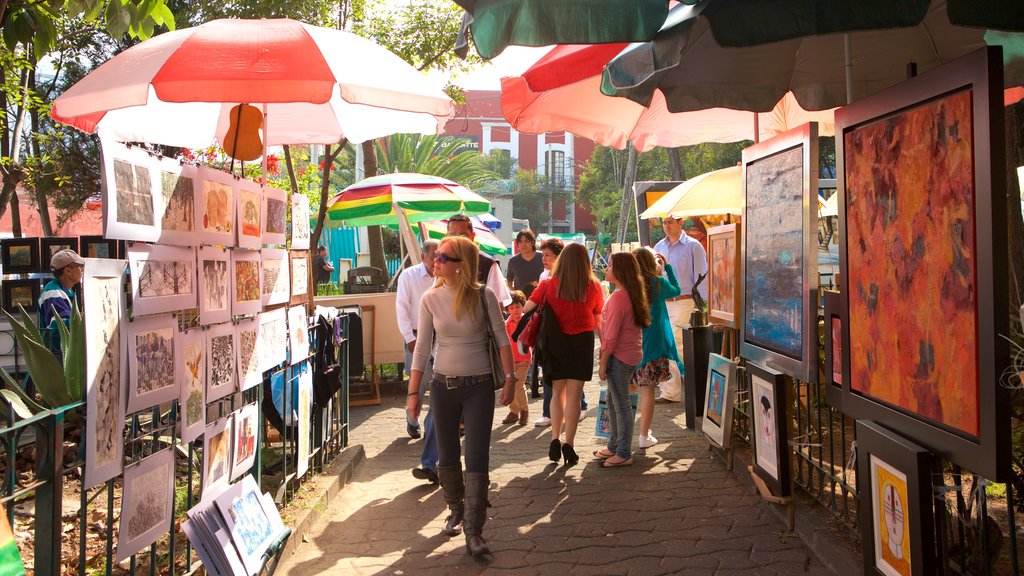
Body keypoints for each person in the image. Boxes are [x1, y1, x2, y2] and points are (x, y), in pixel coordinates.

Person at [406, 236, 516, 556]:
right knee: (448, 455)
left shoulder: (485, 295)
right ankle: (455, 507)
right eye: (436, 256)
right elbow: (423, 349)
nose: (435, 261)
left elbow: (502, 340)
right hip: (443, 386)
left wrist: (510, 379)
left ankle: (475, 530)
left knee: (477, 455)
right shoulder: (430, 298)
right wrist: (414, 393)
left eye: (443, 257)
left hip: (480, 386)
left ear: (461, 265)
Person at [522, 243, 603, 466]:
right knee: (575, 396)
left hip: (554, 342)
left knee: (557, 392)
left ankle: (554, 439)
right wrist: (605, 345)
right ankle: (569, 444)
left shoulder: (548, 283)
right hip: (582, 342)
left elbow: (528, 307)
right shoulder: (594, 286)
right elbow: (598, 318)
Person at [595, 252, 649, 467]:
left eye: (609, 265)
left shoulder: (619, 297)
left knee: (621, 405)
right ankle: (614, 445)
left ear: (620, 270)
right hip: (629, 354)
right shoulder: (628, 293)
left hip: (620, 356)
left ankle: (624, 451)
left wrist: (602, 362)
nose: (606, 268)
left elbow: (611, 336)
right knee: (613, 400)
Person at [395, 240, 440, 483]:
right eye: (434, 254)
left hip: (438, 335)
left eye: (439, 254)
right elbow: (401, 307)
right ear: (423, 255)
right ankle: (412, 418)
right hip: (415, 334)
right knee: (418, 384)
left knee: (437, 385)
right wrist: (409, 338)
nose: (437, 259)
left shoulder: (442, 276)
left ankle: (430, 428)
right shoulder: (409, 276)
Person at [631, 248, 684, 448]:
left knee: (629, 390)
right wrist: (668, 268)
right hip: (655, 344)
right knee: (648, 391)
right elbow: (677, 290)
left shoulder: (631, 285)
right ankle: (644, 435)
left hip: (633, 344)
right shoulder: (658, 283)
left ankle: (622, 436)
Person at [652, 215, 708, 403]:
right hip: (662, 301)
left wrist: (704, 304)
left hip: (684, 300)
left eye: (670, 222)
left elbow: (702, 276)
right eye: (664, 223)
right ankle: (675, 388)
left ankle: (675, 390)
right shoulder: (658, 247)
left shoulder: (693, 246)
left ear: (680, 222)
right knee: (668, 344)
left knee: (674, 342)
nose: (666, 226)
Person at [446, 214, 512, 307]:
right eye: (452, 235)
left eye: (462, 235)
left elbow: (498, 305)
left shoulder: (488, 265)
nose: (457, 239)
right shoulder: (440, 261)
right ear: (446, 236)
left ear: (472, 236)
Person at [38, 248, 84, 362]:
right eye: (79, 266)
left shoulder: (63, 291)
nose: (82, 270)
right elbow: (60, 327)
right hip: (60, 356)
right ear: (68, 271)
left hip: (64, 354)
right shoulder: (54, 293)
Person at [500, 291, 531, 425]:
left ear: (523, 305)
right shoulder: (506, 323)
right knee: (511, 384)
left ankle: (524, 410)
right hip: (511, 361)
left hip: (524, 358)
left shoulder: (526, 320)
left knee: (519, 384)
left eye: (517, 307)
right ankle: (514, 411)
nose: (515, 310)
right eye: (511, 308)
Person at [505, 229, 544, 298]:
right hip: (521, 301)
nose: (523, 244)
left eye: (526, 241)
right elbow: (509, 279)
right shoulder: (513, 261)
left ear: (532, 242)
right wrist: (513, 293)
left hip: (541, 298)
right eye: (520, 242)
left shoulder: (542, 257)